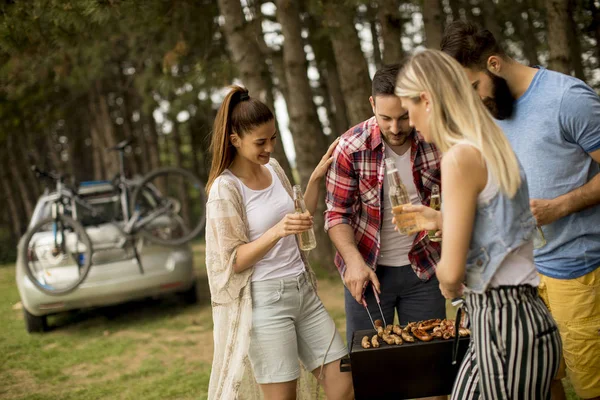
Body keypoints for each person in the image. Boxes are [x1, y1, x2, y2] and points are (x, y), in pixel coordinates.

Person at [441, 21, 600, 400]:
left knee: (591, 385)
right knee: (540, 380)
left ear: (494, 64)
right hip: (521, 278)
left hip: (577, 269)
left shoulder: (567, 98)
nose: (472, 101)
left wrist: (560, 205)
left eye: (473, 87)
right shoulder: (488, 112)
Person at [394, 49, 562, 400]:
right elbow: (498, 222)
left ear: (426, 100)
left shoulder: (458, 158)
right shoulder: (489, 143)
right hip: (514, 318)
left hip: (503, 325)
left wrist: (445, 280)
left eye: (409, 112)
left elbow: (451, 273)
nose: (412, 125)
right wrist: (440, 218)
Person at [204, 86, 353, 400]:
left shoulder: (273, 170)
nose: (269, 148)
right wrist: (275, 231)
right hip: (265, 303)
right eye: (260, 142)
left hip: (303, 292)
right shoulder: (225, 189)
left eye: (272, 138)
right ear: (235, 140)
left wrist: (315, 180)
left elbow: (300, 218)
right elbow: (232, 261)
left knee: (344, 386)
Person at [325, 63, 446, 400]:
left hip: (424, 272)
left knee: (431, 381)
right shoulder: (351, 148)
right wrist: (353, 261)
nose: (396, 128)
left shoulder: (436, 141)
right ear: (372, 105)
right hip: (369, 277)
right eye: (386, 118)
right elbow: (336, 214)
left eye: (404, 116)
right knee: (374, 381)